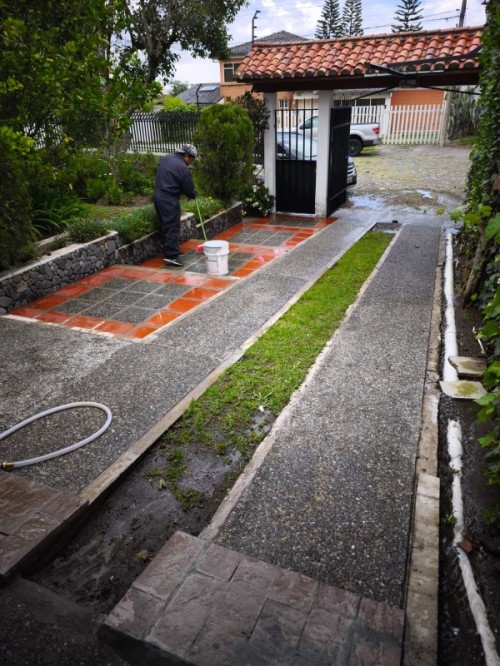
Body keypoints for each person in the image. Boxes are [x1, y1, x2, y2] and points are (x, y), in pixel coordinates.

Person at [153, 144, 198, 267]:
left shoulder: (167, 158)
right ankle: (171, 256)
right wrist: (193, 194)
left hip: (158, 196)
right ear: (186, 156)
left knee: (165, 225)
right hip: (169, 199)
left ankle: (172, 250)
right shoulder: (183, 167)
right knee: (172, 226)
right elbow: (188, 188)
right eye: (191, 159)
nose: (191, 162)